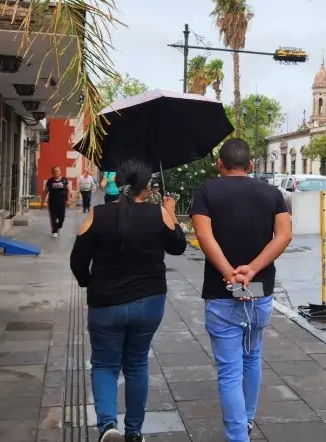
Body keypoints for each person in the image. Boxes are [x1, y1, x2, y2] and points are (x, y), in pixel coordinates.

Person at [70, 160, 186, 442]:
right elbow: (178, 246)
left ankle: (108, 428)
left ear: (118, 182)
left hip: (105, 304)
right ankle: (134, 433)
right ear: (146, 188)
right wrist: (171, 213)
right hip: (149, 303)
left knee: (104, 365)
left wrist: (90, 283)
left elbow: (78, 260)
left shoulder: (97, 215)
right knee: (136, 364)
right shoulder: (158, 213)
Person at [191, 139, 292, 442]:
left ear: (219, 164)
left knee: (229, 371)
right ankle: (246, 421)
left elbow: (203, 236)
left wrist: (230, 274)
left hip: (223, 292)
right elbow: (284, 235)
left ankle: (239, 436)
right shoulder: (272, 193)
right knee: (252, 357)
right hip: (259, 290)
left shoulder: (206, 191)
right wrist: (252, 269)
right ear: (250, 166)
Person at [42, 166, 69, 238]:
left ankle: (59, 227)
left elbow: (68, 190)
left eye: (57, 171)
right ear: (52, 173)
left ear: (60, 172)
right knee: (53, 217)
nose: (56, 172)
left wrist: (68, 200)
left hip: (62, 202)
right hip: (52, 202)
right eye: (54, 171)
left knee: (62, 217)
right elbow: (45, 192)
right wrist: (42, 202)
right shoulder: (50, 181)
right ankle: (54, 231)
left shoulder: (64, 180)